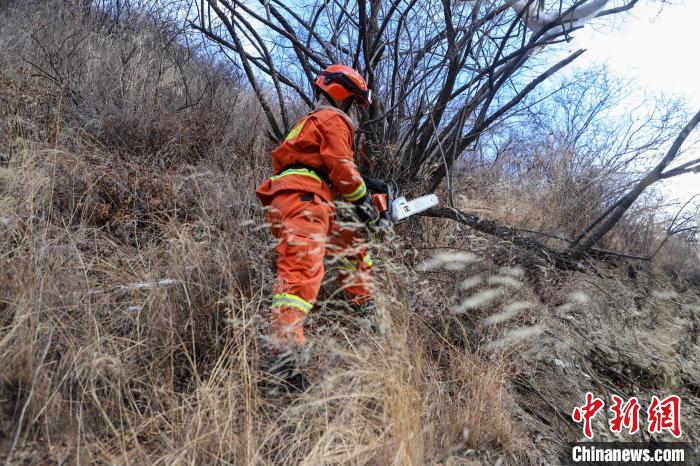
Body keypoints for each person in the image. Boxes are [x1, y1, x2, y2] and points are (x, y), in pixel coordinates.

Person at [255, 64, 381, 392]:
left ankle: (366, 307)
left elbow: (328, 167)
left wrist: (365, 187)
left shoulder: (310, 122)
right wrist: (365, 203)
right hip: (306, 200)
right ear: (344, 96)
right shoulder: (334, 118)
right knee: (299, 278)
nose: (353, 112)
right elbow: (341, 167)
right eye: (354, 104)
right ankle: (285, 367)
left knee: (351, 245)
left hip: (301, 198)